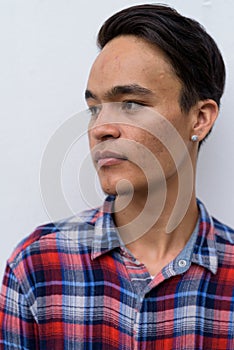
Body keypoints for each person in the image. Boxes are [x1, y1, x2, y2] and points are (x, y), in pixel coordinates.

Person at [0, 3, 233, 349]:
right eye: (95, 108)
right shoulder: (37, 267)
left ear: (199, 118)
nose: (101, 129)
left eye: (131, 104)